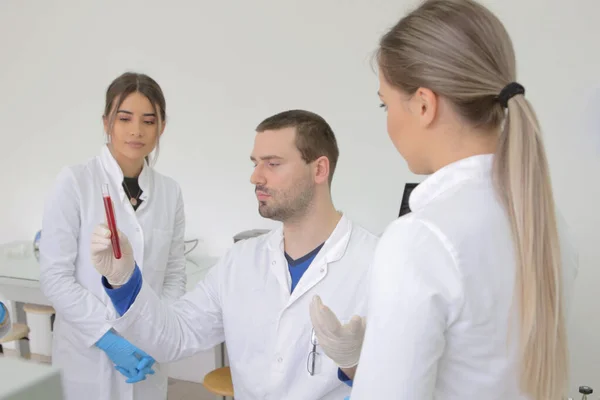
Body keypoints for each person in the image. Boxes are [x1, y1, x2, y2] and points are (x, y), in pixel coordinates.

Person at [311, 0, 579, 399]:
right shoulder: (547, 220)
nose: (386, 118)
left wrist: (358, 366)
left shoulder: (420, 239)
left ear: (423, 104)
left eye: (386, 103)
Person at [89, 110, 378, 399]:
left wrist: (355, 364)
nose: (255, 176)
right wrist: (123, 280)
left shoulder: (376, 262)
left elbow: (409, 382)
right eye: (255, 163)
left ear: (319, 170)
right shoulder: (240, 261)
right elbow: (173, 337)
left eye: (273, 164)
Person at [39, 72, 187, 400]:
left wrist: (157, 332)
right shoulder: (76, 182)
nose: (136, 130)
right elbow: (55, 278)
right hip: (86, 355)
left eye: (149, 121)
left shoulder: (169, 192)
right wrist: (109, 338)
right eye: (125, 118)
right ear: (107, 122)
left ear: (162, 126)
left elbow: (174, 275)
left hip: (147, 355)